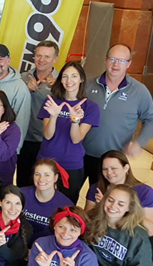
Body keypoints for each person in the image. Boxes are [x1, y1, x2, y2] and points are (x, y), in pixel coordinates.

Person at [83, 44, 153, 186]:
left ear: (129, 63)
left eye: (122, 60)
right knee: (69, 196)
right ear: (106, 60)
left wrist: (139, 143)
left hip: (112, 160)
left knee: (104, 200)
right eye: (112, 59)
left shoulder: (139, 91)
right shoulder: (88, 85)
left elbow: (152, 120)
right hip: (80, 153)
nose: (116, 64)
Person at [37, 61, 100, 203]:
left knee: (66, 206)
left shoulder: (90, 107)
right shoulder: (51, 101)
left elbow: (76, 139)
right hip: (46, 161)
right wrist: (53, 116)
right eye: (65, 76)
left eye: (74, 76)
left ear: (81, 79)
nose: (69, 81)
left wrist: (75, 121)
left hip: (71, 163)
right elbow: (48, 135)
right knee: (42, 201)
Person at [85, 150, 153, 244]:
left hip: (133, 244)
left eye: (114, 168)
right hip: (103, 240)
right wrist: (101, 207)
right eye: (105, 169)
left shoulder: (145, 192)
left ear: (126, 168)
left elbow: (151, 231)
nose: (109, 173)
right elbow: (87, 220)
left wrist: (117, 208)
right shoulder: (97, 188)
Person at [17, 41, 59, 187]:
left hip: (47, 139)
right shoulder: (22, 77)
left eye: (47, 56)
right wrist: (24, 88)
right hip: (23, 137)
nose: (42, 60)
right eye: (38, 55)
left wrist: (58, 90)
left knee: (43, 182)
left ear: (55, 59)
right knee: (23, 180)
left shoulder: (62, 81)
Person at [22, 159, 74, 244]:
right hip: (17, 247)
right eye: (37, 174)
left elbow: (64, 237)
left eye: (47, 175)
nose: (41, 179)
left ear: (55, 178)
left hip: (45, 250)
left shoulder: (65, 205)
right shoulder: (21, 194)